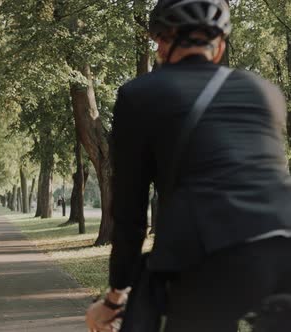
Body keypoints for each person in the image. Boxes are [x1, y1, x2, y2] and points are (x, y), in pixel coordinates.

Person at [86, 0, 291, 331]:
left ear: (163, 43)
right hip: (285, 245)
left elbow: (130, 212)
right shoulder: (265, 91)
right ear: (220, 45)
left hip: (206, 255)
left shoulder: (140, 94)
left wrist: (115, 296)